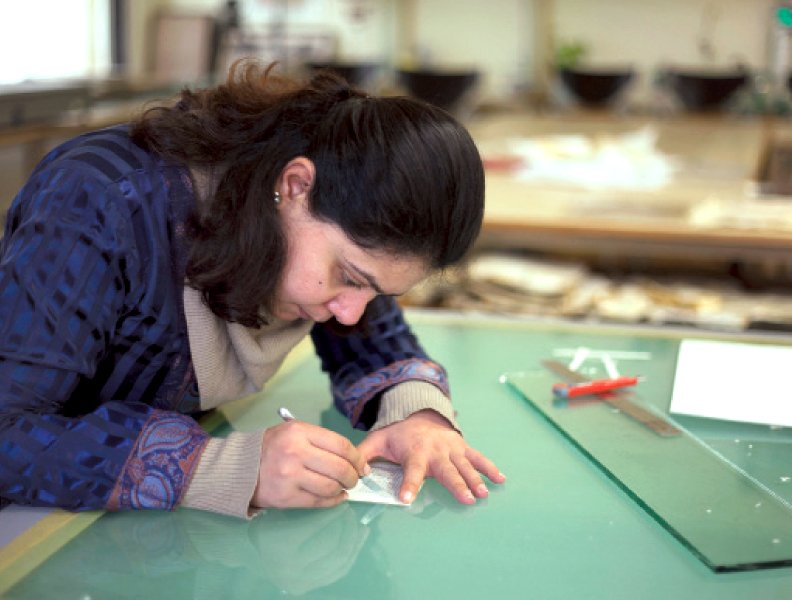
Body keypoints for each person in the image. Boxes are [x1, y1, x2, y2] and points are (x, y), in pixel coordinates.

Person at [0, 61, 505, 519]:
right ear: (295, 185)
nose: (351, 314)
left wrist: (416, 416)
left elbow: (376, 346)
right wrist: (220, 467)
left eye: (377, 293)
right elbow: (7, 433)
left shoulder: (324, 221)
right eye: (350, 277)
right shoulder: (100, 201)